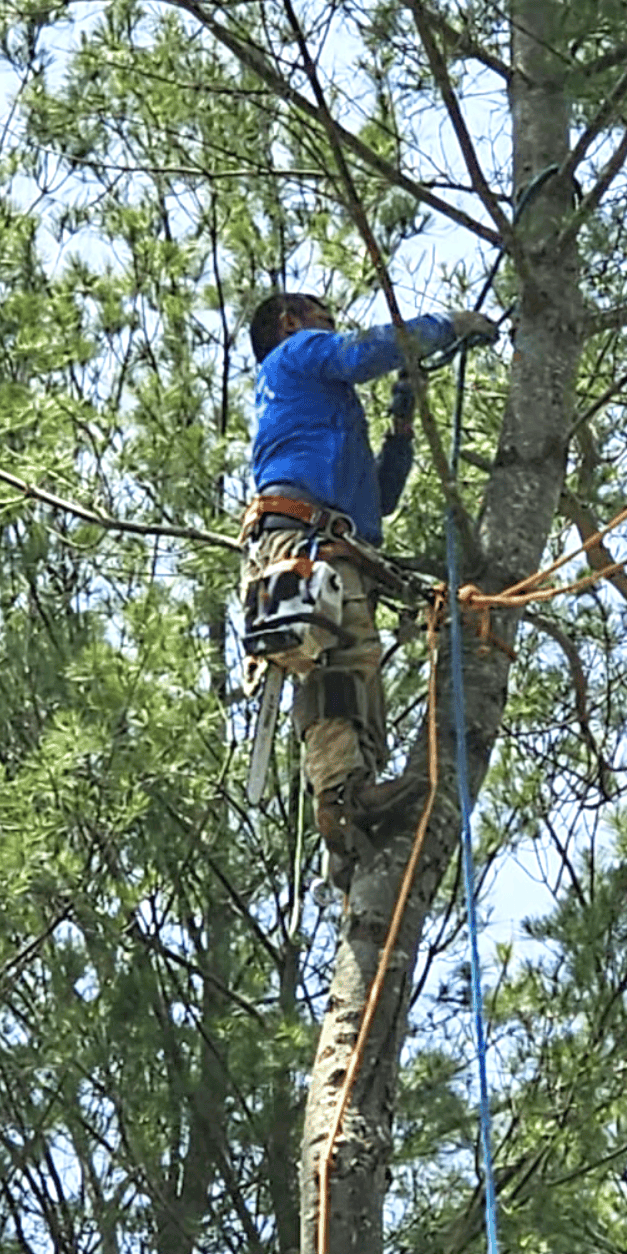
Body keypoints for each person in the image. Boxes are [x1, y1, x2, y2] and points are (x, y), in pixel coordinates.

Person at [241, 292, 499, 886]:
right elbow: (362, 352)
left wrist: (401, 426)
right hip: (302, 537)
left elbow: (379, 498)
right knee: (335, 666)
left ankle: (352, 812)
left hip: (332, 541)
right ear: (290, 322)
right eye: (322, 319)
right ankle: (340, 797)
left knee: (357, 671)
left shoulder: (323, 410)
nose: (331, 329)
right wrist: (445, 326)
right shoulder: (296, 354)